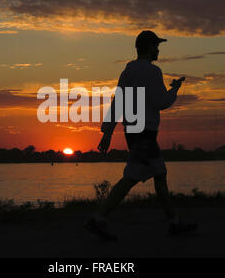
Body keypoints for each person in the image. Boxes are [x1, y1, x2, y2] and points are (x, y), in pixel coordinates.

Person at [84, 30, 197, 240]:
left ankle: (174, 222)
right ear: (148, 47)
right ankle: (98, 219)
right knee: (132, 177)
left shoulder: (127, 71)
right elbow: (161, 102)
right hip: (146, 134)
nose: (158, 50)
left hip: (133, 133)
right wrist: (174, 90)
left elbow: (118, 102)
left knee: (159, 174)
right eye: (156, 46)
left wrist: (108, 131)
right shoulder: (153, 72)